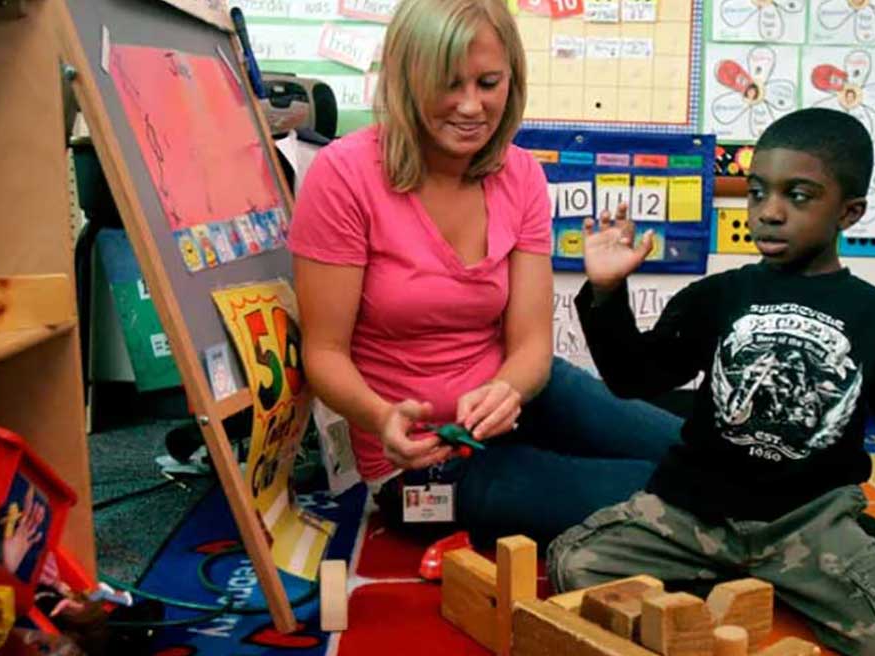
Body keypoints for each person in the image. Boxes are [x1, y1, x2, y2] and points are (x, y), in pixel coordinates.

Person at [547, 108, 875, 655]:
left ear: (850, 211)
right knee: (574, 565)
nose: (768, 212)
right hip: (694, 512)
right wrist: (606, 294)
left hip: (808, 522)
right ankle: (740, 576)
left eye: (798, 195)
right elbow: (635, 377)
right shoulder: (718, 296)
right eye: (756, 192)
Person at [288, 0, 681, 548]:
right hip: (422, 458)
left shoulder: (519, 174)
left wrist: (505, 389)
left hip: (521, 399)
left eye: (489, 82)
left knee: (700, 454)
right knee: (672, 495)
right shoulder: (343, 175)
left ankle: (823, 503)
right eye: (449, 85)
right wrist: (381, 418)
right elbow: (324, 354)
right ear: (407, 79)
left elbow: (532, 347)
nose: (472, 106)